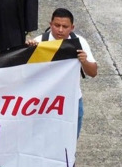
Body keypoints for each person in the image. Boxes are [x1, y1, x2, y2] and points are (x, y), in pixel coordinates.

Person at [26, 8, 97, 137]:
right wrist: (28, 52)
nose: (60, 30)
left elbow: (93, 72)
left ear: (72, 27)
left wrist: (84, 61)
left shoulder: (80, 42)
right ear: (50, 24)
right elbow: (25, 74)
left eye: (65, 26)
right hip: (44, 104)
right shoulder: (39, 42)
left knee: (68, 144)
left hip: (72, 102)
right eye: (57, 25)